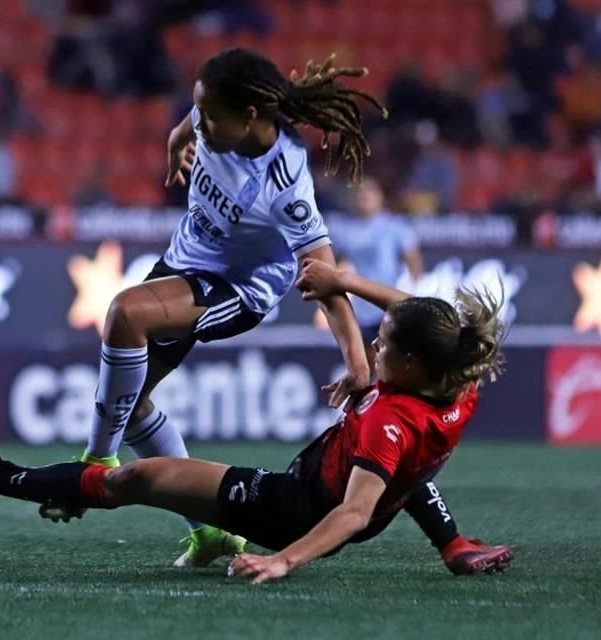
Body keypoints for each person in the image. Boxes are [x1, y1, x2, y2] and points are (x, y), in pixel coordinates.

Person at [0, 268, 514, 581]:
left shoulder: (390, 418)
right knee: (399, 477)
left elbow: (355, 512)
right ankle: (453, 545)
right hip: (372, 480)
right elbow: (417, 319)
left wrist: (283, 560)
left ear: (410, 364)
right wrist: (347, 284)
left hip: (295, 508)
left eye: (381, 348)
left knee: (136, 480)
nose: (372, 353)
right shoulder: (457, 377)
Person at [39, 48, 387, 567]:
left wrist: (358, 363)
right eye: (195, 109)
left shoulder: (284, 184)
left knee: (125, 314)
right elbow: (193, 122)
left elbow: (325, 278)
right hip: (182, 264)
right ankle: (211, 533)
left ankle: (93, 464)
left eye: (207, 115)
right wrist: (177, 137)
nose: (199, 122)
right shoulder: (214, 121)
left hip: (237, 291)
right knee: (130, 405)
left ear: (249, 118)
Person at [330, 177, 423, 351]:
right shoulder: (345, 230)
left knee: (391, 354)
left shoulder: (396, 226)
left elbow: (413, 261)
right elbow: (331, 262)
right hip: (359, 307)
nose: (365, 196)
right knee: (366, 360)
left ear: (381, 197)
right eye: (361, 192)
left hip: (390, 305)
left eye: (370, 191)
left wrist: (412, 293)